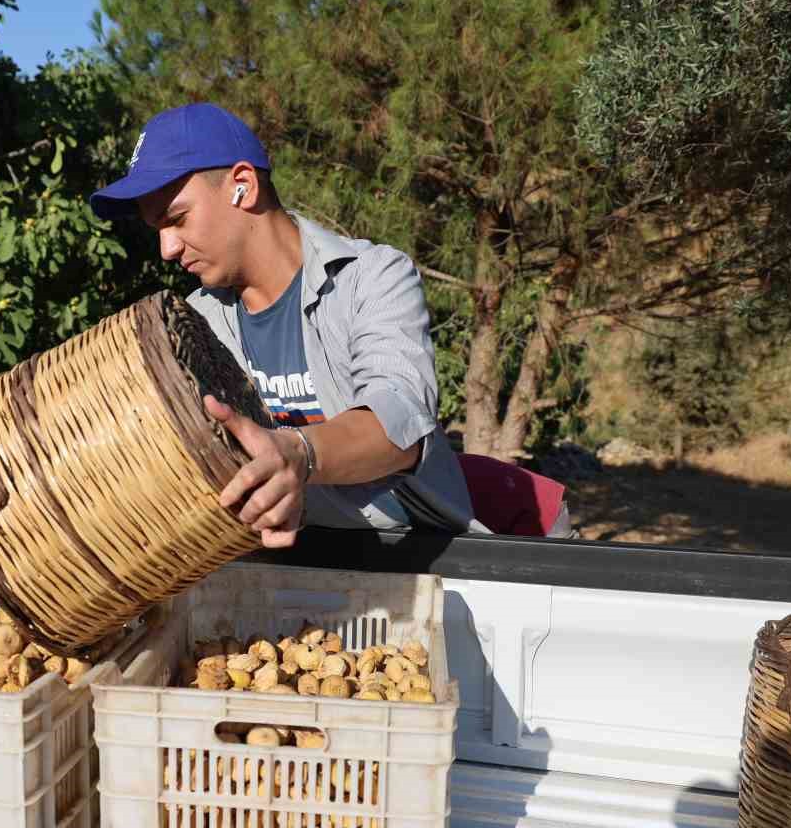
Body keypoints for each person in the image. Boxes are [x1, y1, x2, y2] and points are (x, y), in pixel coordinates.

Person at [90, 103, 571, 547]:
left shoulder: (373, 276)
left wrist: (299, 454)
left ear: (243, 185)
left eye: (177, 219)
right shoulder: (194, 326)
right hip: (309, 568)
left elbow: (398, 417)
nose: (167, 249)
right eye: (157, 231)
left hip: (428, 555)